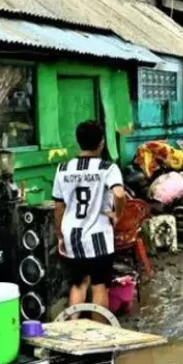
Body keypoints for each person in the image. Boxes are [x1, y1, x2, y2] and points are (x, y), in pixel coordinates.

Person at [53, 120, 126, 315]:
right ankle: (99, 337)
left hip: (73, 235)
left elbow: (58, 206)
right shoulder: (107, 168)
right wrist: (117, 214)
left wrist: (60, 234)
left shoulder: (63, 168)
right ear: (102, 142)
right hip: (98, 235)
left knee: (78, 285)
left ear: (78, 142)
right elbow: (119, 194)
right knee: (100, 286)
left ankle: (75, 332)